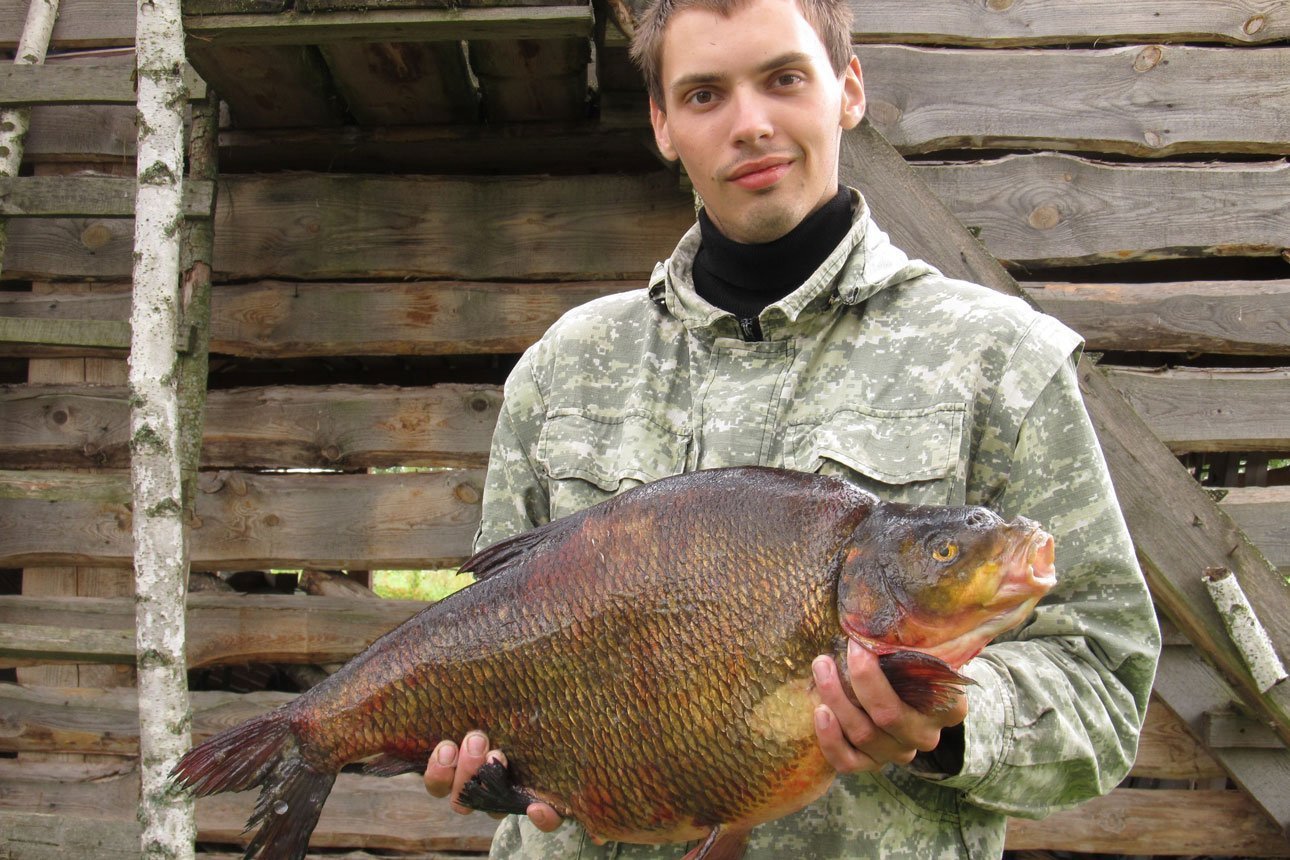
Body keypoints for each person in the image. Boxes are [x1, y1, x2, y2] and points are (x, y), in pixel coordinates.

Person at [424, 0, 1161, 854]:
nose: (750, 125)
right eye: (704, 95)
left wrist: (946, 721)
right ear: (662, 124)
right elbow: (488, 638)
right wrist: (483, 763)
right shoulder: (562, 368)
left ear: (847, 89)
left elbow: (1104, 689)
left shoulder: (999, 357)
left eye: (783, 79)